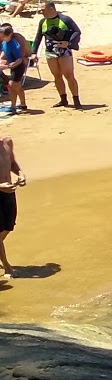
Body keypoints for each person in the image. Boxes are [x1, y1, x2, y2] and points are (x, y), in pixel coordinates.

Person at [31, 2, 81, 108]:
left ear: (51, 8)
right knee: (57, 76)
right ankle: (63, 99)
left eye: (43, 10)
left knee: (69, 75)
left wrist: (69, 43)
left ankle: (76, 100)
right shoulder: (43, 21)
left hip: (64, 51)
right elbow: (38, 37)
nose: (41, 12)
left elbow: (77, 32)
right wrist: (34, 52)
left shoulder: (65, 19)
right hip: (50, 52)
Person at [0, 135, 24, 278]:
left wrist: (21, 174)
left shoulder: (7, 143)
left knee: (9, 226)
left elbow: (12, 163)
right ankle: (7, 267)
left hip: (9, 192)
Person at [0, 23, 29, 113]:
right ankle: (23, 104)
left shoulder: (14, 45)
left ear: (9, 35)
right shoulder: (4, 43)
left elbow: (19, 59)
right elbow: (4, 53)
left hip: (19, 66)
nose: (1, 38)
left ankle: (13, 106)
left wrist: (8, 66)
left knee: (11, 85)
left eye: (3, 36)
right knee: (17, 86)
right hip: (13, 66)